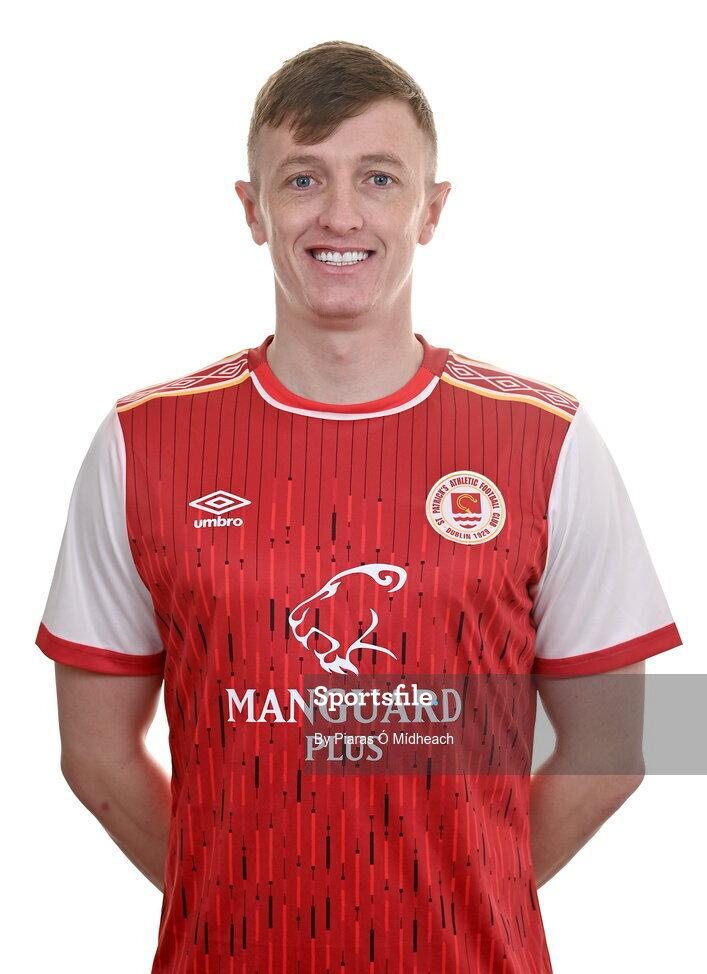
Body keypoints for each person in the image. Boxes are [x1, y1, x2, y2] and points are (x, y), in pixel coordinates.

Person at [35, 39, 682, 974]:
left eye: (378, 178)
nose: (340, 214)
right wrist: (237, 901)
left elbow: (615, 750)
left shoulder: (548, 441)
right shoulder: (141, 442)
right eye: (302, 179)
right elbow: (94, 758)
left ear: (431, 209)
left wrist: (461, 899)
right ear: (252, 210)